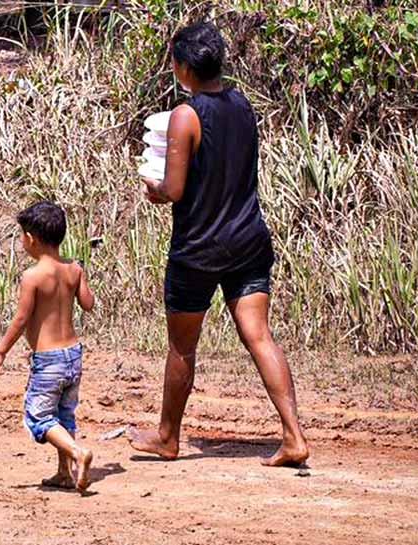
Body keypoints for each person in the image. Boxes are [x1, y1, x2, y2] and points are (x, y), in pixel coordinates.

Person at [129, 22, 310, 467]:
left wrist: (154, 189)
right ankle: (293, 437)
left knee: (182, 348)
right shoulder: (242, 105)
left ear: (185, 67)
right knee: (259, 336)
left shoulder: (186, 116)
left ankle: (168, 437)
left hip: (199, 248)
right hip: (247, 240)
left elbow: (172, 188)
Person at [0, 201, 96, 492]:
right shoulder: (73, 269)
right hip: (73, 356)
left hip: (48, 360)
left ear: (31, 239)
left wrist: (0, 351)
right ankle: (64, 472)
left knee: (39, 416)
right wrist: (82, 274)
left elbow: (22, 318)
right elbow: (88, 305)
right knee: (65, 414)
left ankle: (76, 454)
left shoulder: (32, 277)